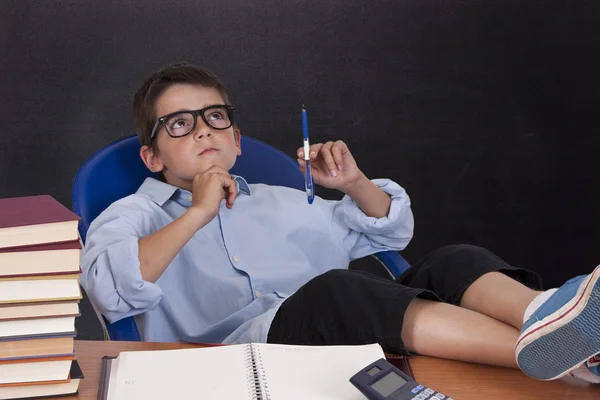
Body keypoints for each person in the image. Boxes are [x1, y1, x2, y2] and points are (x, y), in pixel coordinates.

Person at [80, 62, 600, 383]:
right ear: (152, 157)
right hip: (237, 359)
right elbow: (108, 290)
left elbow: (389, 232)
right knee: (335, 290)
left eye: (215, 117)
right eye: (179, 124)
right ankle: (567, 357)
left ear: (236, 140)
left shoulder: (284, 200)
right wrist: (197, 213)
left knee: (451, 259)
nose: (202, 131)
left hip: (346, 330)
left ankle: (553, 319)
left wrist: (354, 183)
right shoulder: (131, 216)